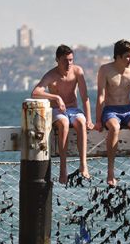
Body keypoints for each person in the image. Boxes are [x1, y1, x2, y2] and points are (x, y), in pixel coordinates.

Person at [31, 45, 93, 184]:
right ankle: (63, 169)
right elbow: (35, 92)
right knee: (64, 123)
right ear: (57, 60)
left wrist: (89, 119)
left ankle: (84, 165)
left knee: (81, 122)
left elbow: (85, 97)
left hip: (73, 109)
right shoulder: (51, 75)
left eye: (71, 60)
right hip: (57, 111)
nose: (69, 63)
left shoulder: (77, 71)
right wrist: (56, 98)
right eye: (65, 60)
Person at [93, 39, 130, 186]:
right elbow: (101, 96)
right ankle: (110, 172)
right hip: (111, 110)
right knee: (114, 128)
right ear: (117, 56)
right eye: (127, 56)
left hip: (128, 109)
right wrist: (98, 120)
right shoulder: (105, 70)